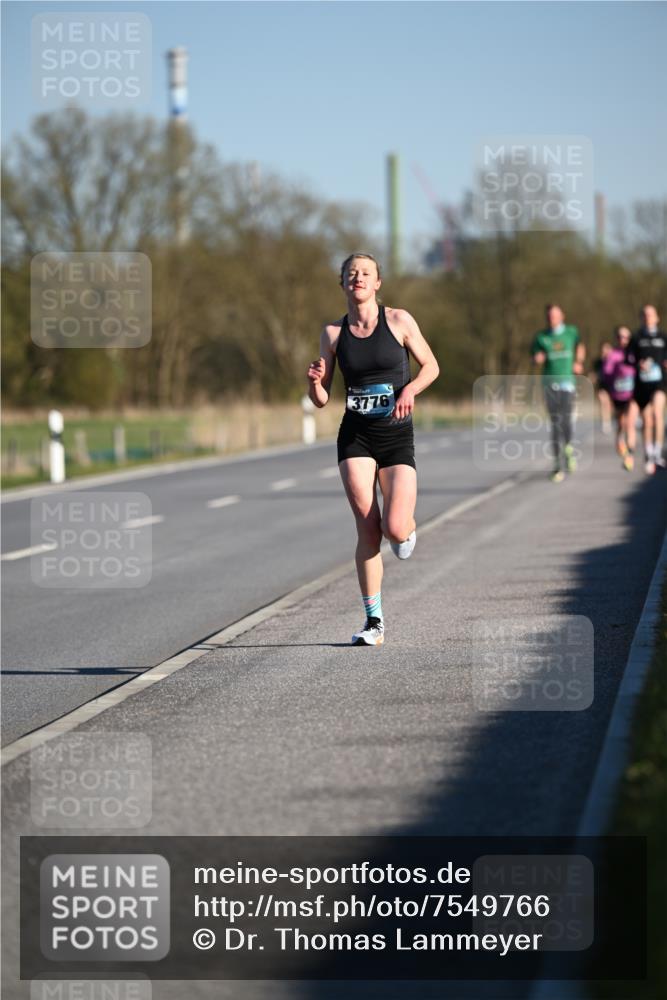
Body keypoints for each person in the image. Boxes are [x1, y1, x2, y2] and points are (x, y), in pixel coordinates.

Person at [307, 253, 439, 646]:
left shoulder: (398, 320)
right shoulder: (333, 333)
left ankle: (405, 530)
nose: (358, 278)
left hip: (396, 435)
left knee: (394, 528)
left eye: (366, 273)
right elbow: (320, 399)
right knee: (368, 528)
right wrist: (314, 383)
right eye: (351, 273)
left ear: (377, 283)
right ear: (342, 283)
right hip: (356, 437)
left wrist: (410, 390)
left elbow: (431, 366)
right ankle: (374, 622)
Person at [531, 304, 586, 483]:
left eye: (555, 315)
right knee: (555, 423)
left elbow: (580, 346)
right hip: (549, 384)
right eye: (549, 316)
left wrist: (578, 362)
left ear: (562, 316)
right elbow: (534, 357)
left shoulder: (571, 332)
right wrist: (537, 359)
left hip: (567, 383)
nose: (552, 318)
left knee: (566, 419)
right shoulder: (541, 337)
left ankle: (568, 448)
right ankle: (557, 465)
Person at [628, 304, 666, 474]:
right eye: (645, 315)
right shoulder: (636, 337)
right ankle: (649, 454)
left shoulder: (663, 337)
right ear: (641, 318)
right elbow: (628, 358)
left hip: (659, 383)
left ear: (657, 318)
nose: (648, 317)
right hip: (642, 385)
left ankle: (658, 453)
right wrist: (638, 364)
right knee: (647, 420)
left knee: (658, 413)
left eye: (651, 314)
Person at [600, 326, 637, 470]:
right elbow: (606, 375)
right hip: (618, 394)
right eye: (621, 337)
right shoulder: (613, 355)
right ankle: (619, 440)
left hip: (633, 394)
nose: (624, 340)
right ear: (617, 338)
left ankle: (630, 456)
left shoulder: (635, 352)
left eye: (626, 337)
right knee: (622, 423)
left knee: (630, 423)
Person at [592, 342, 613, 434]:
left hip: (613, 386)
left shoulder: (615, 361)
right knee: (603, 402)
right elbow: (593, 374)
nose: (605, 352)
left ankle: (610, 419)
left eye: (607, 349)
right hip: (602, 386)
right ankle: (605, 423)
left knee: (609, 405)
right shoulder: (598, 363)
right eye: (603, 350)